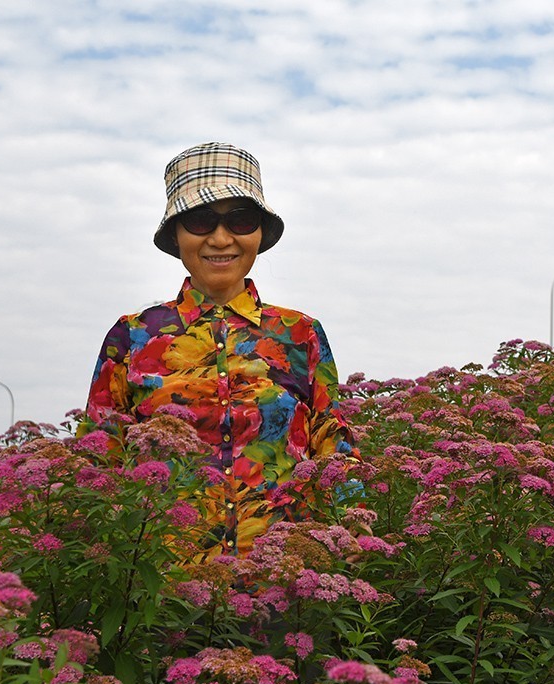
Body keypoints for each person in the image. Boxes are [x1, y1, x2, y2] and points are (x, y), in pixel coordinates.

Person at [84, 142, 357, 563]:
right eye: (200, 221)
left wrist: (349, 536)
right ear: (175, 235)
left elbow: (333, 446)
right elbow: (99, 461)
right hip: (162, 594)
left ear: (260, 232)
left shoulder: (301, 334)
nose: (221, 238)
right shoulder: (132, 336)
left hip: (284, 586)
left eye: (241, 220)